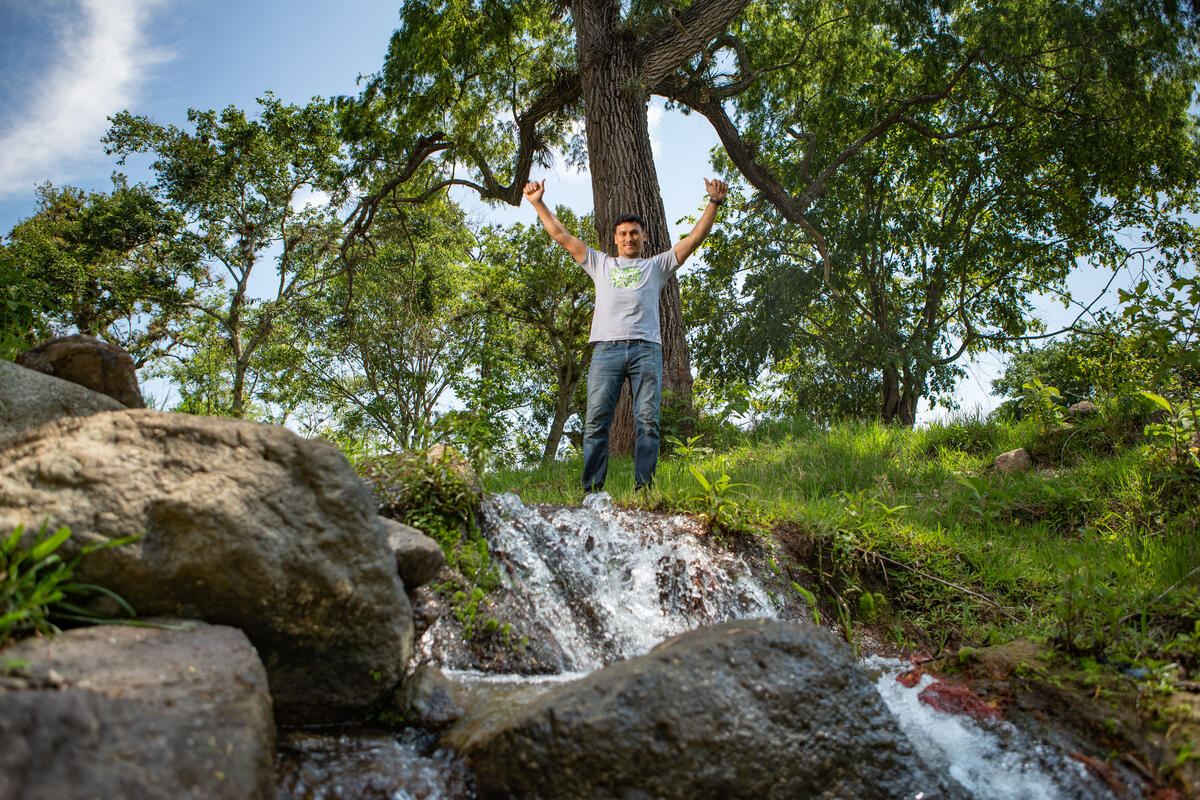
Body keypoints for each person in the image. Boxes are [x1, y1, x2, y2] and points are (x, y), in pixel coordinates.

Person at [523, 177, 729, 492]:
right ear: (615, 239)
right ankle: (592, 492)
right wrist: (537, 202)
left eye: (634, 233)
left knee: (647, 423)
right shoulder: (599, 262)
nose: (629, 237)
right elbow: (561, 235)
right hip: (606, 350)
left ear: (644, 237)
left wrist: (713, 203)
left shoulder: (657, 266)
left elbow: (694, 240)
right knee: (596, 423)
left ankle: (644, 490)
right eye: (623, 233)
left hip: (647, 351)